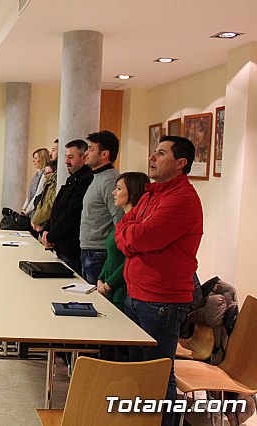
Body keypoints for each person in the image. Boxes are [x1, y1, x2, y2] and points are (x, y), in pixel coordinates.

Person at [115, 135, 203, 426]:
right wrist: (131, 236)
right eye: (154, 152)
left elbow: (141, 236)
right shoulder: (152, 193)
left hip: (161, 302)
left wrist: (131, 236)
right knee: (139, 372)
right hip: (137, 295)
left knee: (159, 376)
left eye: (161, 153)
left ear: (180, 163)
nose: (152, 157)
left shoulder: (182, 200)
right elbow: (124, 230)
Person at [96, 172, 150, 312]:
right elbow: (111, 254)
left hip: (121, 291)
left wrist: (109, 285)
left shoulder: (136, 225)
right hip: (109, 289)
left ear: (132, 193)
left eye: (119, 189)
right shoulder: (123, 221)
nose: (114, 192)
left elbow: (130, 261)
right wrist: (101, 278)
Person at [41, 140, 93, 275]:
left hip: (71, 247)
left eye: (71, 157)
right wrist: (47, 229)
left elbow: (71, 213)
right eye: (66, 157)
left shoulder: (86, 179)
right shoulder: (73, 179)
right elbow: (57, 209)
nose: (66, 161)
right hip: (60, 243)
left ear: (83, 157)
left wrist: (51, 236)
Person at [79, 130, 123, 284]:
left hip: (99, 253)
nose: (86, 153)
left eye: (91, 149)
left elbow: (119, 219)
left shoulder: (110, 180)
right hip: (89, 250)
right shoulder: (98, 176)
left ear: (104, 154)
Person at [21, 147, 51, 218]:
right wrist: (24, 208)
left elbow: (37, 194)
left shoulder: (44, 175)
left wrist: (27, 211)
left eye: (36, 158)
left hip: (37, 211)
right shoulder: (36, 175)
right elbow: (30, 194)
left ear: (42, 159)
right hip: (30, 211)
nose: (33, 161)